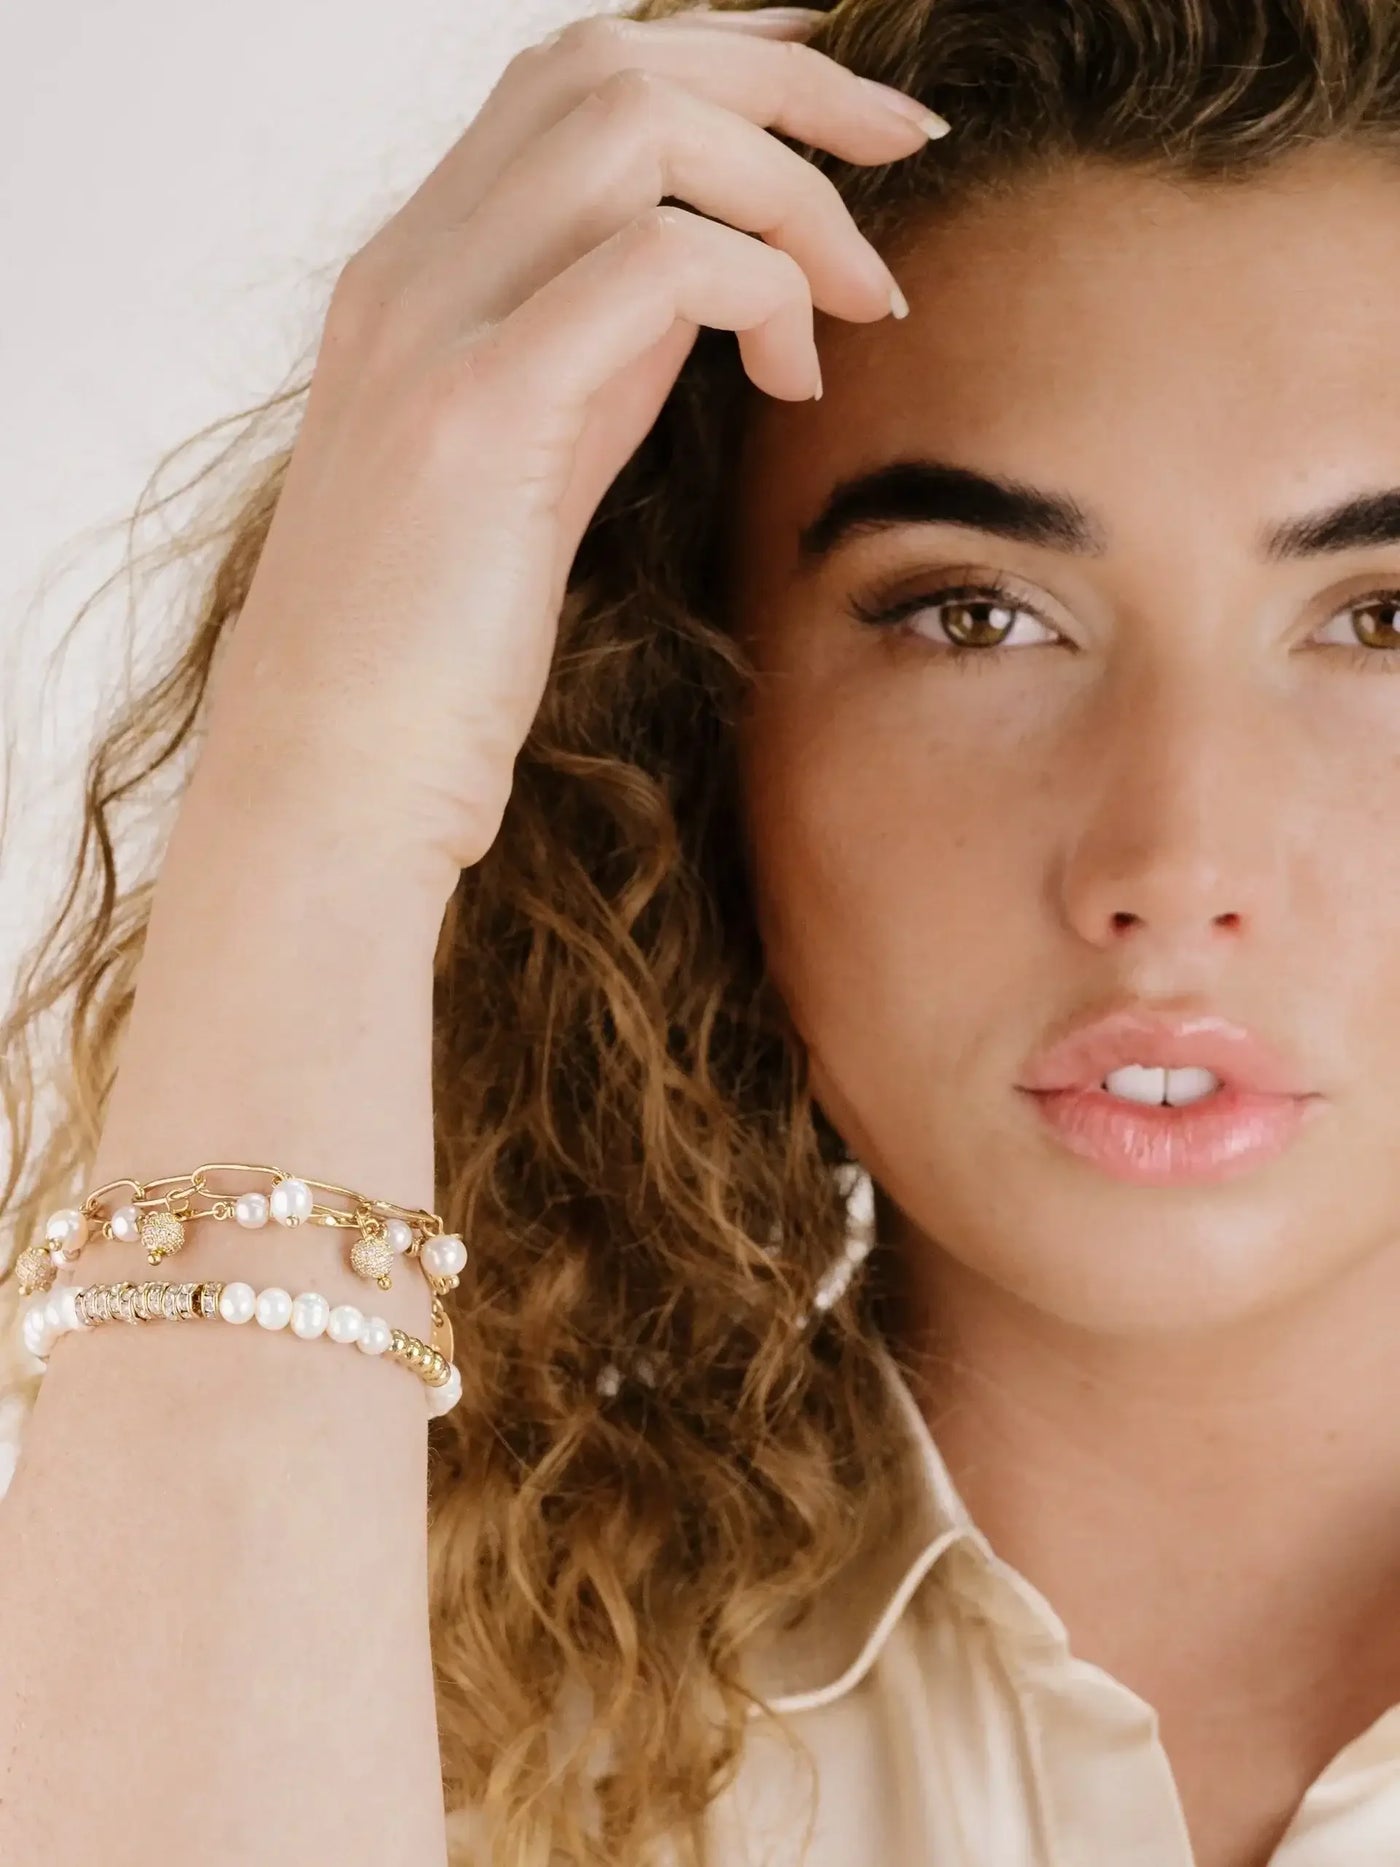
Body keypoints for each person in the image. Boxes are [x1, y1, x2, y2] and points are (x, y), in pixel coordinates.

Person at [3, 0, 1400, 1861]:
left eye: (1388, 623)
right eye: (972, 615)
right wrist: (321, 797)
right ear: (677, 706)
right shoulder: (294, 1683)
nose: (1173, 857)